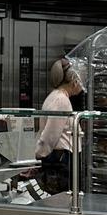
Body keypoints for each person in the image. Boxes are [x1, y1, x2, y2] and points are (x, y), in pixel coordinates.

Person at [35, 57, 84, 193]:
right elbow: (50, 136)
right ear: (74, 81)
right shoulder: (61, 100)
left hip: (59, 159)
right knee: (63, 200)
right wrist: (39, 155)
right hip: (60, 161)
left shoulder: (56, 96)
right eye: (81, 80)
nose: (82, 85)